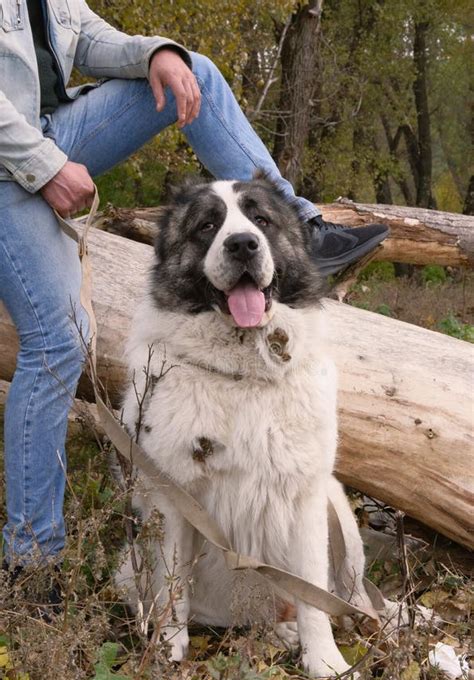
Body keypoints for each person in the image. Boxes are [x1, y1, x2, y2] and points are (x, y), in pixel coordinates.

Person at [0, 0, 388, 574]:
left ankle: (300, 227)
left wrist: (155, 52)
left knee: (191, 71)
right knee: (60, 338)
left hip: (47, 131)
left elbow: (83, 38)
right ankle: (32, 560)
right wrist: (45, 166)